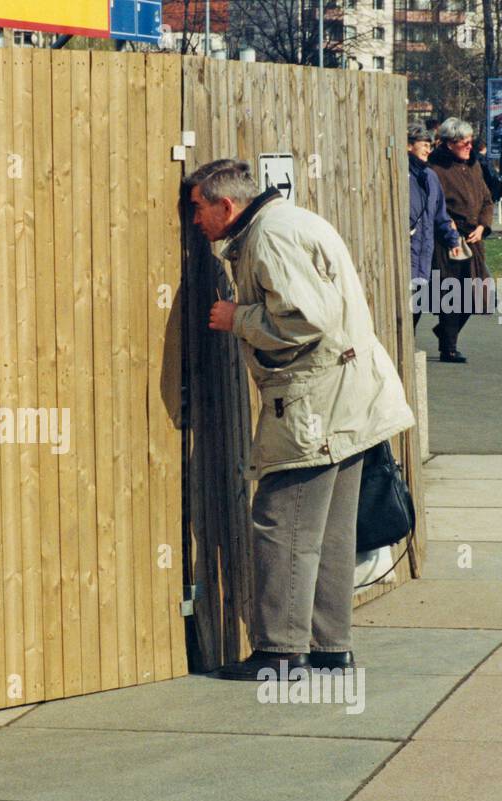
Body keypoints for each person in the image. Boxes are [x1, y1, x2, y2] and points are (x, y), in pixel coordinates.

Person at [186, 160, 415, 680]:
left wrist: (235, 318)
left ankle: (281, 652)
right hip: (352, 398)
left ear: (226, 205)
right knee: (331, 532)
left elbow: (306, 320)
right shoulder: (294, 222)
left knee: (282, 523)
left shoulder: (271, 236)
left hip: (316, 405)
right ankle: (330, 647)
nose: (194, 219)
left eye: (197, 208)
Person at [427, 117, 494, 364]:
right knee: (452, 293)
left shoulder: (474, 166)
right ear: (447, 144)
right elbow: (434, 204)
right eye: (462, 142)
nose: (468, 146)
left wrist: (482, 226)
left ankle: (446, 332)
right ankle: (449, 348)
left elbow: (487, 200)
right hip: (448, 242)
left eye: (470, 141)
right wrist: (448, 225)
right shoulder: (436, 170)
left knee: (480, 293)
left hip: (474, 240)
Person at [408, 125, 463, 331]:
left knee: (416, 306)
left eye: (430, 145)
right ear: (409, 146)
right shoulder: (401, 174)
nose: (428, 150)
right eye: (423, 145)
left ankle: (407, 349)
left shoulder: (430, 176)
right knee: (405, 305)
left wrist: (452, 238)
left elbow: (440, 214)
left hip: (424, 252)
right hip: (407, 250)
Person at [475, 139, 502, 205]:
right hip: (486, 185)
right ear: (484, 148)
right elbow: (490, 174)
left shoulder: (472, 158)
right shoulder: (485, 160)